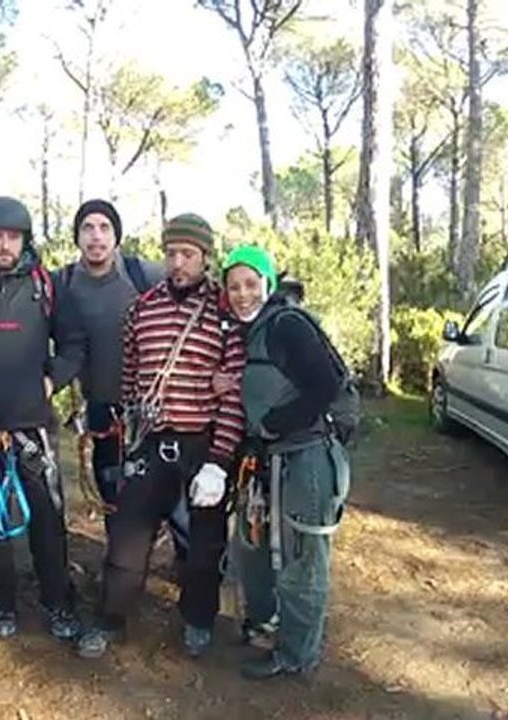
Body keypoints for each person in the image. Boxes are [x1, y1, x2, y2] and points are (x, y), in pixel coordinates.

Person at [77, 213, 246, 659]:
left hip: (202, 444)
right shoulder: (142, 309)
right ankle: (110, 620)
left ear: (205, 257)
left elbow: (233, 395)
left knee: (205, 545)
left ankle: (199, 620)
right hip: (150, 443)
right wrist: (131, 433)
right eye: (171, 253)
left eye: (188, 254)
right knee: (127, 540)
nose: (178, 263)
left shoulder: (225, 312)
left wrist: (219, 462)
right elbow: (131, 380)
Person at [0, 196, 85, 641]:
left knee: (47, 518)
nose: (5, 245)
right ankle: (2, 604)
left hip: (33, 424)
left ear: (25, 240)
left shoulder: (45, 286)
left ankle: (58, 602)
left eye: (13, 237)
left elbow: (74, 344)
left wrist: (51, 381)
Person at [220, 245, 350, 680]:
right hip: (267, 460)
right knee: (254, 547)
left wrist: (276, 424)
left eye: (251, 284)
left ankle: (297, 654)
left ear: (268, 283)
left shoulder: (287, 324)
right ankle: (267, 624)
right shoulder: (248, 331)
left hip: (305, 458)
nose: (243, 295)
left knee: (302, 559)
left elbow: (327, 383)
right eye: (234, 287)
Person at [53, 199, 164, 535]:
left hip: (151, 409)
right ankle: (120, 555)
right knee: (112, 492)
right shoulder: (61, 283)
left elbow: (195, 290)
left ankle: (185, 558)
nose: (96, 236)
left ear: (116, 236)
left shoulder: (144, 274)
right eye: (87, 228)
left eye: (104, 228)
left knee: (163, 495)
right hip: (102, 410)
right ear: (77, 237)